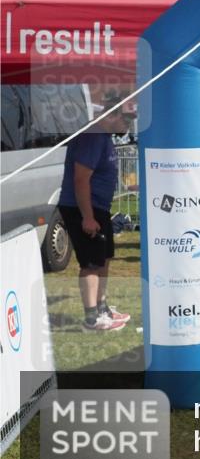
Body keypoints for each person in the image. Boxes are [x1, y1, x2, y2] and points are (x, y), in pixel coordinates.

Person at [58, 99, 133, 331]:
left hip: (99, 207)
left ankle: (102, 308)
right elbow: (80, 179)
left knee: (104, 257)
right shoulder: (93, 136)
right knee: (91, 262)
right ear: (112, 115)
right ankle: (92, 318)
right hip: (84, 207)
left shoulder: (104, 137)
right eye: (126, 119)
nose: (129, 125)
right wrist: (87, 217)